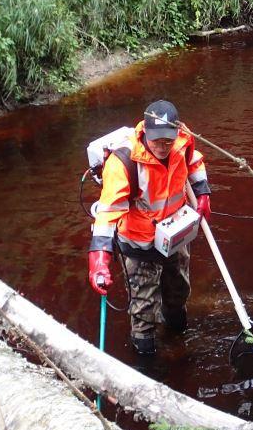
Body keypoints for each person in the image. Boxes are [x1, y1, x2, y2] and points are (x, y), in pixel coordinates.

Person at [87, 100, 211, 355]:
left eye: (168, 141)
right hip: (138, 246)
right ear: (145, 132)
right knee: (144, 312)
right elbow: (108, 213)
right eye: (156, 141)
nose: (162, 147)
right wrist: (99, 259)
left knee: (179, 294)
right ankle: (146, 364)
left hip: (175, 238)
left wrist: (202, 192)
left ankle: (179, 342)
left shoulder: (183, 141)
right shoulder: (124, 161)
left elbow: (195, 162)